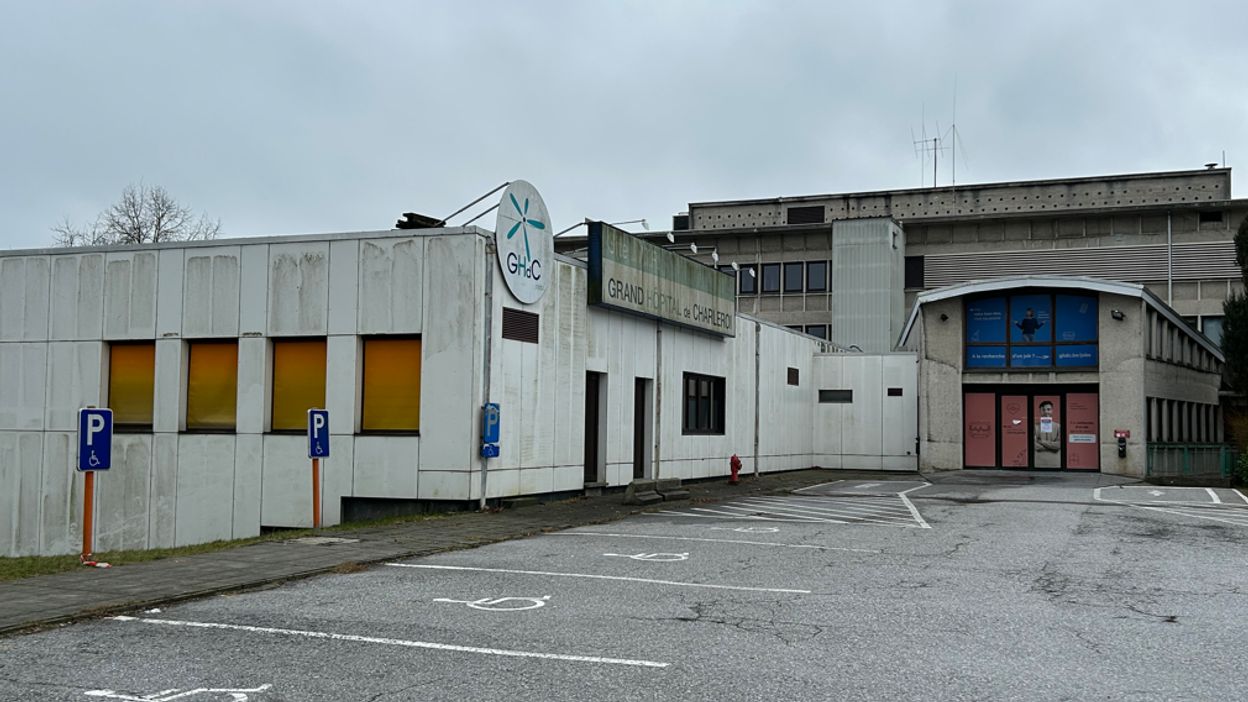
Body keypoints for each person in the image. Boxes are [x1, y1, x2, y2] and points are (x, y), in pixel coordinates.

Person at [1033, 400, 1062, 468]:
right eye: (1043, 410)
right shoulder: (1035, 427)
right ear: (1040, 411)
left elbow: (1058, 445)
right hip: (1038, 462)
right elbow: (1034, 445)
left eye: (1048, 409)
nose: (1046, 412)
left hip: (1055, 463)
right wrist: (1051, 447)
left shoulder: (1058, 426)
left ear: (1052, 410)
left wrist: (1041, 442)